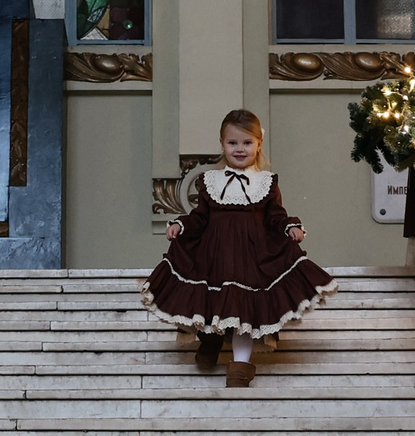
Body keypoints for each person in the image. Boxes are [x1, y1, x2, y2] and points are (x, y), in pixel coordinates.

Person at [144, 110, 336, 387]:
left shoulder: (266, 182)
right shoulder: (210, 181)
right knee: (210, 303)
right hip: (214, 256)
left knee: (242, 312)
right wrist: (180, 224)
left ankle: (240, 369)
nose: (239, 149)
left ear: (259, 144)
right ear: (222, 144)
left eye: (247, 142)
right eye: (232, 143)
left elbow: (276, 217)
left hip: (250, 258)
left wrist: (290, 227)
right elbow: (200, 217)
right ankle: (210, 342)